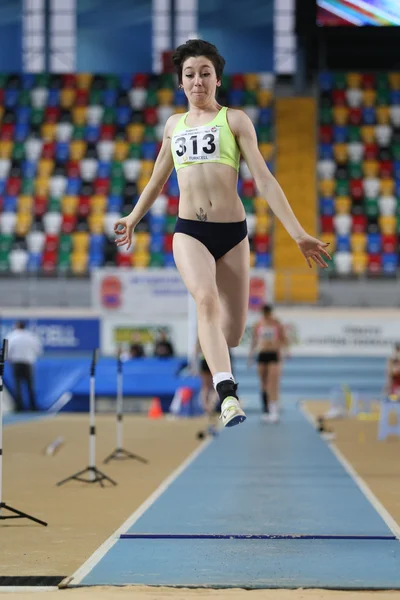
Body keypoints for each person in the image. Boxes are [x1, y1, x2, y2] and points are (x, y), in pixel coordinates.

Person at [114, 39, 331, 428]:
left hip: (232, 234)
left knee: (231, 334)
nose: (197, 81)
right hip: (189, 232)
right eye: (189, 75)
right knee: (205, 300)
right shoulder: (173, 126)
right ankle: (227, 394)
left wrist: (297, 233)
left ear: (217, 79)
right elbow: (156, 180)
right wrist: (132, 217)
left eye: (205, 73)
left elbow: (264, 179)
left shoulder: (235, 121)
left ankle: (221, 362)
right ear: (181, 83)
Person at [248, 305, 288, 423]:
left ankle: (274, 410)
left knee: (273, 383)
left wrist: (283, 351)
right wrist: (250, 356)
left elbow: (284, 339)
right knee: (264, 383)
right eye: (264, 313)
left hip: (273, 354)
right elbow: (254, 340)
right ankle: (266, 409)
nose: (266, 316)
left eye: (268, 313)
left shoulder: (277, 324)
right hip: (262, 354)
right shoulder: (258, 324)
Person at [6, 321, 42, 412]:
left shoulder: (11, 336)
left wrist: (9, 359)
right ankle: (32, 407)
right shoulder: (31, 337)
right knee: (30, 386)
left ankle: (19, 407)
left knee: (17, 386)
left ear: (16, 326)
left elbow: (7, 351)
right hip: (28, 363)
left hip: (16, 363)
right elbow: (38, 351)